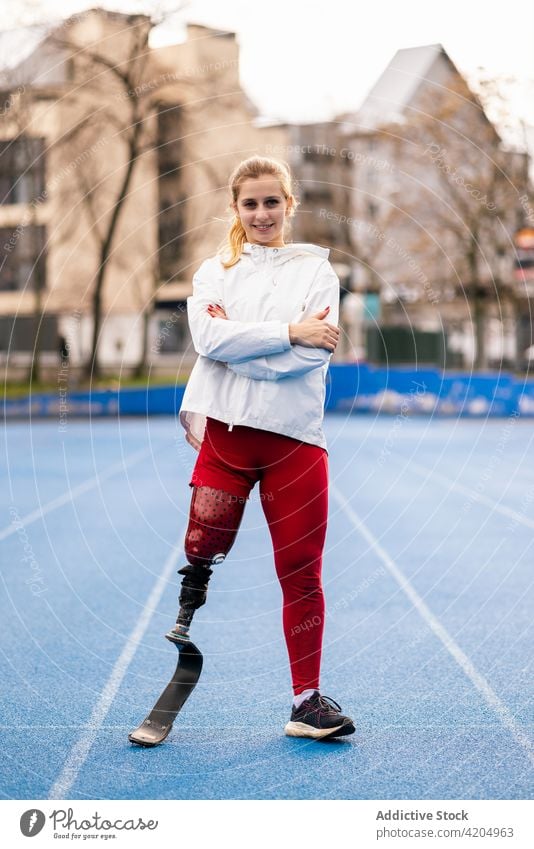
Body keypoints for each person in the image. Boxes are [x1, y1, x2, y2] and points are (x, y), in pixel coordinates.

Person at [173, 155, 354, 740]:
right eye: (249, 203)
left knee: (302, 572)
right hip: (225, 439)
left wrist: (237, 351)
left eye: (271, 202)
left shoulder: (316, 273)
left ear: (288, 205)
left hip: (296, 441)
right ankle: (186, 608)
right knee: (201, 548)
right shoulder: (213, 273)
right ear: (235, 209)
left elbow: (314, 352)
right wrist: (285, 332)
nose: (261, 213)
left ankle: (306, 702)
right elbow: (207, 336)